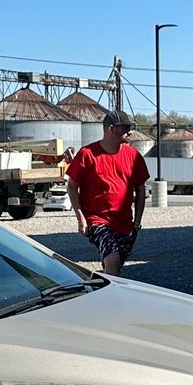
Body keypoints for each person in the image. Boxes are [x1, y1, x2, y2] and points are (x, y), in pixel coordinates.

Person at [66, 111, 149, 276]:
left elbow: (141, 190)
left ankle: (101, 289)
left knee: (114, 266)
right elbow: (71, 186)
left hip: (125, 223)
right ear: (111, 129)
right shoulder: (87, 154)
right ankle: (112, 299)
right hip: (97, 221)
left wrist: (137, 222)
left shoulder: (133, 156)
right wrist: (81, 218)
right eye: (126, 128)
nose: (130, 132)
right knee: (113, 260)